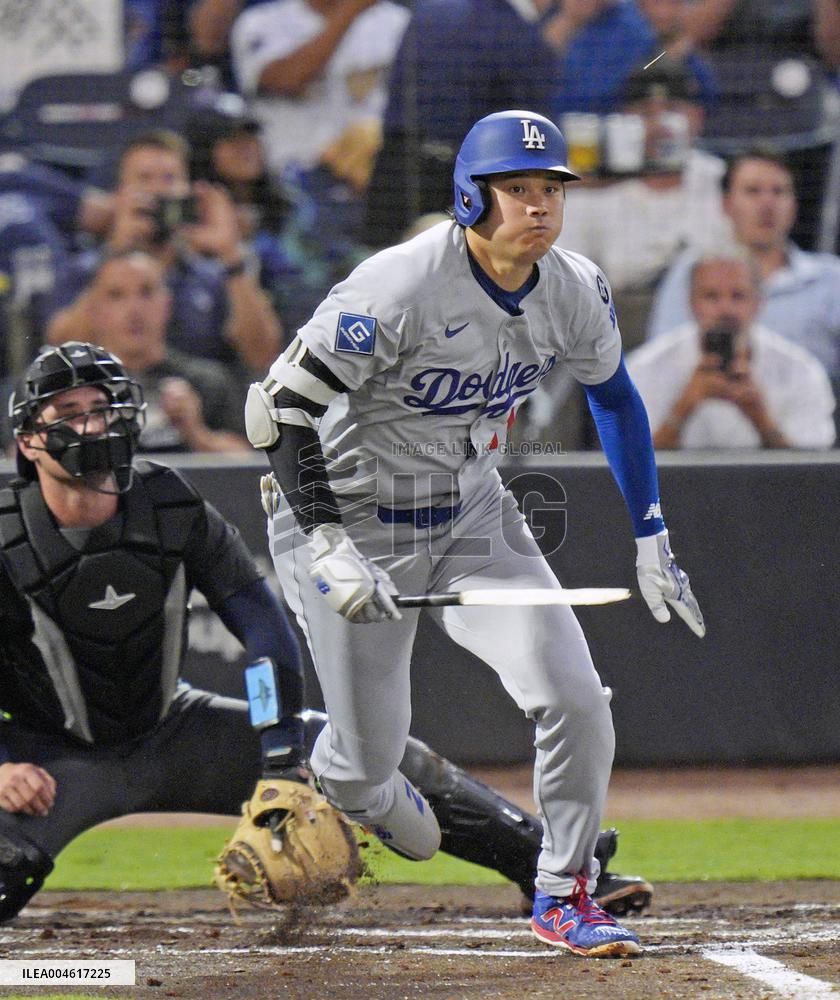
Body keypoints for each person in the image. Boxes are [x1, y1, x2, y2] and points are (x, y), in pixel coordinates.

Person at [246, 109, 705, 957]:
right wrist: (328, 543)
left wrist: (651, 531)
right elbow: (276, 411)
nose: (539, 206)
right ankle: (339, 774)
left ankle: (564, 892)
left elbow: (615, 398)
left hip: (471, 511)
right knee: (370, 773)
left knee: (577, 699)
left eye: (551, 189)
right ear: (470, 196)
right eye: (517, 189)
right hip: (349, 516)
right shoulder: (398, 286)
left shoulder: (574, 287)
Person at [0, 341, 651, 923]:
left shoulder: (168, 504)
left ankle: (555, 868)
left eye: (103, 407)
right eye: (70, 412)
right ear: (28, 442)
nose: (93, 424)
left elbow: (262, 630)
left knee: (368, 758)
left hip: (173, 730)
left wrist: (280, 756)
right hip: (46, 760)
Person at [45, 129, 281, 376]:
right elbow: (64, 355)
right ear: (120, 194)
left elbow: (263, 356)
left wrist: (231, 255)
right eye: (144, 178)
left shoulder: (214, 276)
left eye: (170, 178)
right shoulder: (84, 269)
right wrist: (117, 253)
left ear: (188, 190)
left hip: (203, 395)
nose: (157, 190)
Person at [647, 151, 840, 420]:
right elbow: (659, 362)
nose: (767, 203)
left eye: (779, 191)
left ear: (794, 205)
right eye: (753, 191)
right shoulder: (692, 269)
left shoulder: (830, 278)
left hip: (807, 421)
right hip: (700, 420)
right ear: (726, 204)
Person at [628, 250, 835, 448]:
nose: (725, 309)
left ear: (759, 302)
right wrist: (683, 408)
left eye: (738, 296)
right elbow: (627, 462)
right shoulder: (644, 369)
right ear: (691, 303)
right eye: (711, 296)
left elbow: (813, 467)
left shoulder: (802, 371)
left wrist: (761, 418)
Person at [86, 250, 252, 454]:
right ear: (95, 310)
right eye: (116, 295)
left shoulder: (207, 382)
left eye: (146, 292)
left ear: (167, 303)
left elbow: (250, 462)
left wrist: (197, 433)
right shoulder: (80, 390)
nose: (134, 309)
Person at [229, 0, 411, 180]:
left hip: (375, 172)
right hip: (290, 175)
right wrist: (349, 11)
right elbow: (284, 80)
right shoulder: (260, 21)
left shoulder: (399, 21)